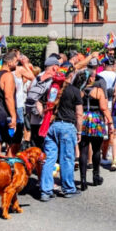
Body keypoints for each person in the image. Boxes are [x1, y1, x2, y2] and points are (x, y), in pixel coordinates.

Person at [39, 67, 83, 201]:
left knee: (50, 159)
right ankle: (68, 188)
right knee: (66, 158)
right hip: (67, 126)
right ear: (71, 75)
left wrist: (44, 115)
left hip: (51, 126)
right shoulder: (74, 91)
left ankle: (45, 190)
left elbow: (39, 102)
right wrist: (79, 131)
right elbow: (79, 114)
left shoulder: (52, 89)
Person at [77, 69, 112, 189]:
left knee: (83, 150)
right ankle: (96, 176)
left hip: (84, 119)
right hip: (96, 119)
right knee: (97, 149)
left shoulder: (80, 91)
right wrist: (110, 121)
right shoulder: (98, 91)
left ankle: (82, 180)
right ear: (91, 78)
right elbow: (103, 107)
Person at [0, 50, 21, 155]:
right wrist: (14, 117)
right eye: (16, 61)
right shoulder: (8, 76)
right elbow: (8, 97)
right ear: (10, 62)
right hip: (4, 115)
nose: (17, 64)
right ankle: (10, 166)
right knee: (13, 143)